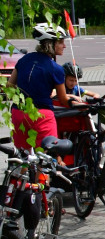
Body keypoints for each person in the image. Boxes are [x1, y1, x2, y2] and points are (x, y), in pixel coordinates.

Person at [8, 23, 70, 151]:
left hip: (18, 112)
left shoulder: (24, 59)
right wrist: (75, 102)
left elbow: (9, 85)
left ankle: (19, 171)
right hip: (41, 116)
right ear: (50, 44)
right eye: (61, 42)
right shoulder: (56, 69)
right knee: (46, 157)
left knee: (23, 155)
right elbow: (63, 99)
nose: (64, 45)